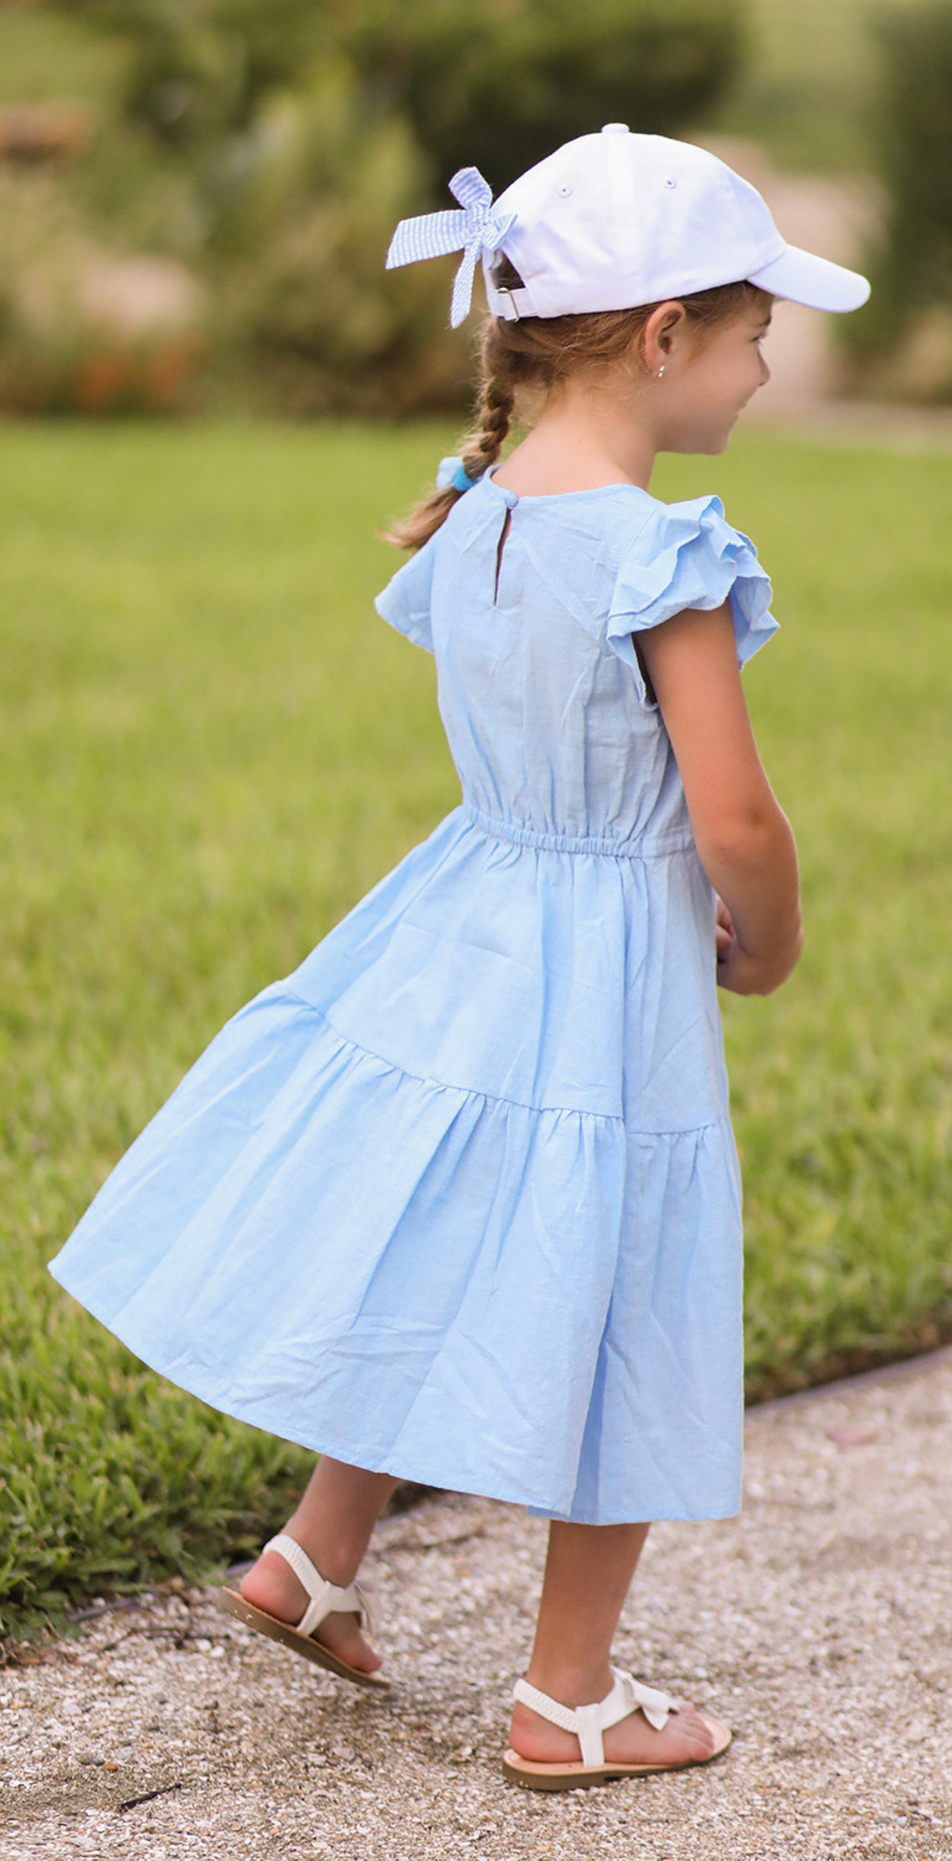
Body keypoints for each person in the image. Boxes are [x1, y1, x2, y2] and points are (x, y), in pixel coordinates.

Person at [49, 125, 869, 1790]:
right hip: (601, 972)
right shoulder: (664, 552)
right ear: (660, 340)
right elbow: (736, 818)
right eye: (751, 332)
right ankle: (569, 1696)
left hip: (467, 926)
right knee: (614, 1280)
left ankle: (315, 1558)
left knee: (448, 1237)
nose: (765, 366)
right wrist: (769, 943)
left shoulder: (480, 511)